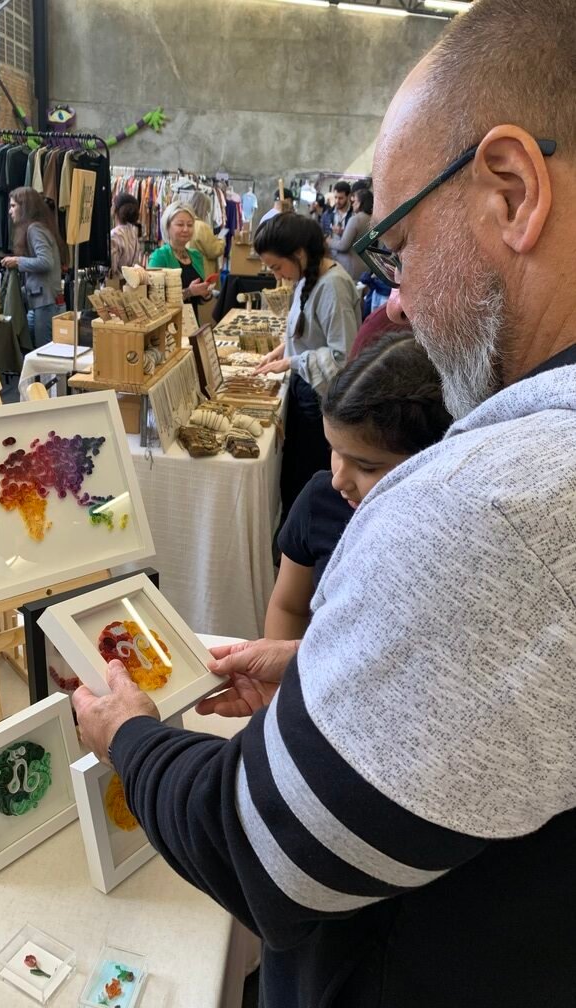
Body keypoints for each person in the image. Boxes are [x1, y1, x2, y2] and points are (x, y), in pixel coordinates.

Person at [73, 1, 576, 1005]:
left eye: (400, 243)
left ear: (513, 193)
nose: (402, 297)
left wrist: (128, 735)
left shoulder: (497, 504)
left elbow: (261, 852)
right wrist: (320, 671)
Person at [266, 332, 451, 639]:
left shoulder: (441, 530)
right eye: (334, 451)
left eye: (366, 466)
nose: (338, 479)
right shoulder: (319, 501)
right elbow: (288, 606)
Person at [253, 212, 360, 520]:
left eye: (277, 267)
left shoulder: (333, 286)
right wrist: (280, 350)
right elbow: (308, 332)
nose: (277, 275)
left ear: (299, 254)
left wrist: (291, 360)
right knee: (293, 477)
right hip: (305, 388)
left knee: (305, 479)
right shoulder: (307, 278)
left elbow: (342, 357)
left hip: (318, 398)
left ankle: (301, 541)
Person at [1, 187, 64, 349]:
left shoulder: (34, 229)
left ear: (25, 207)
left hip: (46, 303)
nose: (10, 211)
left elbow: (46, 262)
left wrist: (18, 261)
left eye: (13, 206)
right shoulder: (40, 227)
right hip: (43, 302)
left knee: (44, 353)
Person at [147, 203, 212, 320]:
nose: (186, 229)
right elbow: (153, 301)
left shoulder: (196, 256)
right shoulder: (159, 257)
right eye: (180, 224)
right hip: (169, 324)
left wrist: (205, 293)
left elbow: (198, 300)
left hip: (192, 323)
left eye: (190, 225)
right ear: (167, 227)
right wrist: (188, 292)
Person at [328, 187, 374, 281]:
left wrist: (328, 241)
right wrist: (342, 232)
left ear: (360, 203)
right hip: (366, 266)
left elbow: (343, 246)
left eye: (354, 201)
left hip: (350, 267)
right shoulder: (372, 219)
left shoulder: (355, 219)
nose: (352, 204)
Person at [187, 190, 225, 277]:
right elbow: (214, 250)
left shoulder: (188, 224)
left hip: (192, 269)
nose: (207, 213)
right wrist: (221, 239)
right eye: (207, 210)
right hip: (204, 270)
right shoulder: (202, 227)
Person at [109, 193, 142, 278]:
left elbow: (111, 269)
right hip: (129, 281)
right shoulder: (133, 233)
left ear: (115, 209)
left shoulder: (114, 235)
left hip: (115, 283)